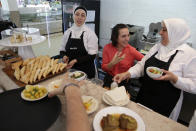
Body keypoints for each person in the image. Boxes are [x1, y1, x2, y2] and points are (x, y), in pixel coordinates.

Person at [114, 18, 196, 121]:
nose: (160, 32)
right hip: (145, 95)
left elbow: (194, 85)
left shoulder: (190, 54)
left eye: (164, 30)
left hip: (166, 103)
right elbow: (142, 65)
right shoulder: (158, 47)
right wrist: (127, 73)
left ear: (175, 32)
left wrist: (175, 79)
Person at [59, 6, 98, 78]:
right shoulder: (67, 32)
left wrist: (75, 61)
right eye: (77, 14)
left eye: (82, 15)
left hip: (86, 72)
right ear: (73, 16)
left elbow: (92, 56)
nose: (79, 17)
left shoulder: (90, 33)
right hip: (70, 71)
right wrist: (64, 56)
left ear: (85, 18)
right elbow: (62, 51)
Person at [102, 24, 143, 88]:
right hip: (109, 79)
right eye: (123, 36)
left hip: (124, 82)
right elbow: (103, 68)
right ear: (115, 37)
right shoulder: (107, 48)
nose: (127, 39)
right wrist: (112, 63)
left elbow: (145, 60)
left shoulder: (131, 50)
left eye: (128, 35)